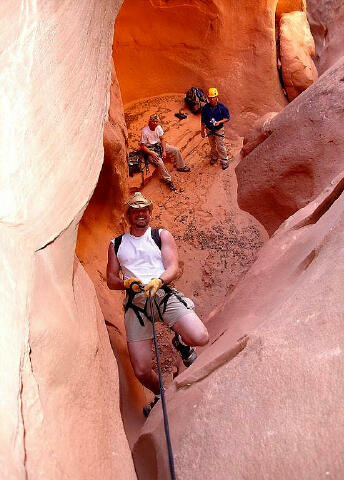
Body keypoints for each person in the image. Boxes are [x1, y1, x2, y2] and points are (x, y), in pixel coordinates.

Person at [106, 192, 209, 416]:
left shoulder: (160, 235)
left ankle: (182, 343)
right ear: (129, 214)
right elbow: (111, 280)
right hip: (136, 304)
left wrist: (159, 280)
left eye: (145, 210)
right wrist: (127, 284)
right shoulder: (116, 244)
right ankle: (162, 394)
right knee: (142, 370)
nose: (141, 214)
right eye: (136, 210)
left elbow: (173, 267)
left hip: (161, 293)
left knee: (200, 337)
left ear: (149, 213)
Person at [140, 114, 190, 191]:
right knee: (160, 162)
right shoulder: (145, 131)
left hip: (158, 146)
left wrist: (164, 151)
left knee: (175, 150)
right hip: (150, 149)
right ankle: (168, 180)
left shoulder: (158, 127)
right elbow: (142, 146)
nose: (155, 123)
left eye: (156, 121)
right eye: (153, 121)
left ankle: (181, 166)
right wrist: (152, 153)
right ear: (150, 121)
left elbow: (162, 139)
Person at [201, 87, 230, 170]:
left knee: (220, 145)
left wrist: (220, 122)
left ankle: (224, 161)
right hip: (209, 129)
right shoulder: (205, 108)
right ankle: (214, 157)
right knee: (212, 145)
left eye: (213, 97)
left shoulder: (222, 107)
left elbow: (227, 118)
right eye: (210, 98)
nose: (211, 99)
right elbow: (203, 120)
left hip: (219, 129)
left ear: (217, 97)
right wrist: (202, 131)